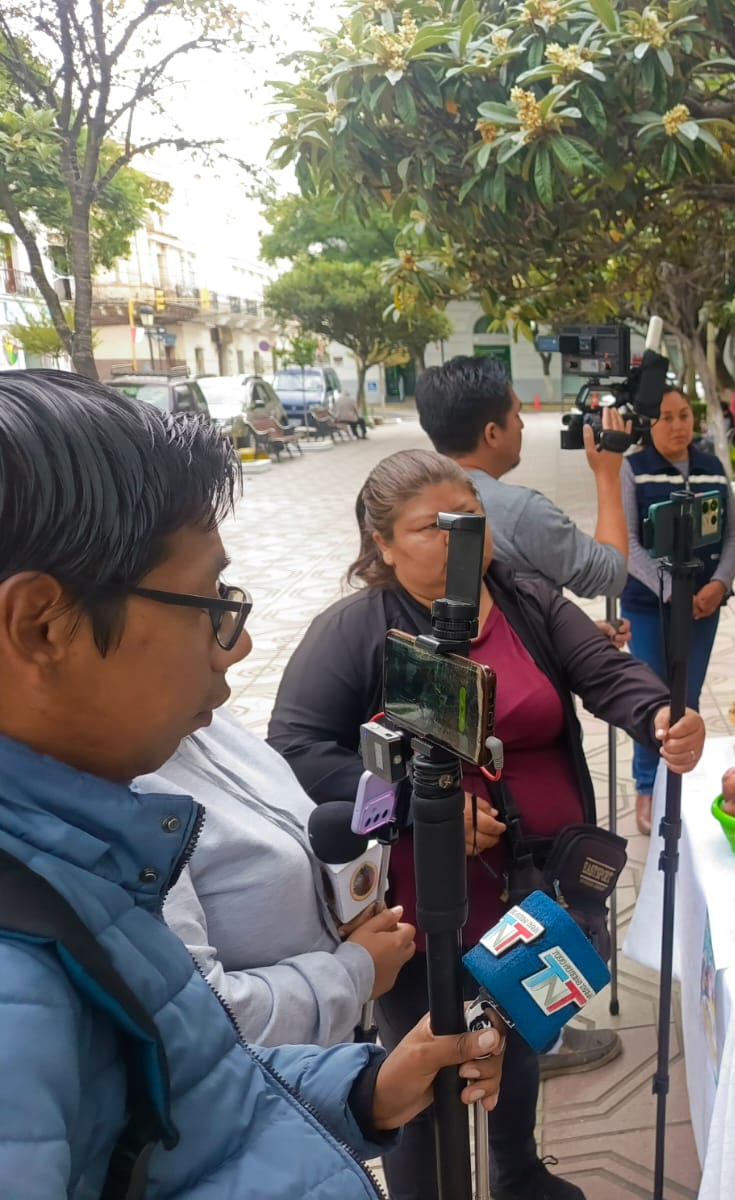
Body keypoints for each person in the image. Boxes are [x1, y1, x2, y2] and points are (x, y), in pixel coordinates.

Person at [0, 371, 505, 1198]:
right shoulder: (16, 992)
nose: (232, 644)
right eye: (206, 601)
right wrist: (344, 979)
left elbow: (181, 1097)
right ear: (43, 626)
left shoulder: (91, 843)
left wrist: (362, 1087)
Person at [268, 449, 707, 1200]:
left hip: (535, 879)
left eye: (470, 517)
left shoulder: (528, 599)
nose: (461, 536)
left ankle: (518, 1172)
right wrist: (413, 805)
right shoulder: (357, 629)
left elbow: (604, 675)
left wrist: (659, 712)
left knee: (523, 1026)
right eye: (432, 527)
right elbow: (296, 744)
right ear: (382, 544)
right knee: (428, 1061)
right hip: (421, 896)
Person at [141, 707, 417, 1048]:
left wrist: (346, 906)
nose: (240, 651)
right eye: (218, 646)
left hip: (327, 1065)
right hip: (263, 1088)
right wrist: (354, 974)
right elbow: (196, 1018)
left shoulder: (202, 716)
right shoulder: (130, 801)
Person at [621, 386, 735, 832]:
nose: (678, 425)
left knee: (686, 698)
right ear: (649, 424)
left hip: (702, 609)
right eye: (666, 417)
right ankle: (647, 787)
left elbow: (734, 537)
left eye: (685, 415)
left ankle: (679, 787)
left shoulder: (712, 467)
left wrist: (718, 584)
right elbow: (629, 544)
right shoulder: (632, 470)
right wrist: (672, 590)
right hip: (652, 608)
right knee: (655, 700)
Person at [417, 354, 630, 600]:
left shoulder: (405, 502)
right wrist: (608, 476)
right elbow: (609, 576)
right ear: (492, 433)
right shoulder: (520, 512)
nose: (522, 426)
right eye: (517, 415)